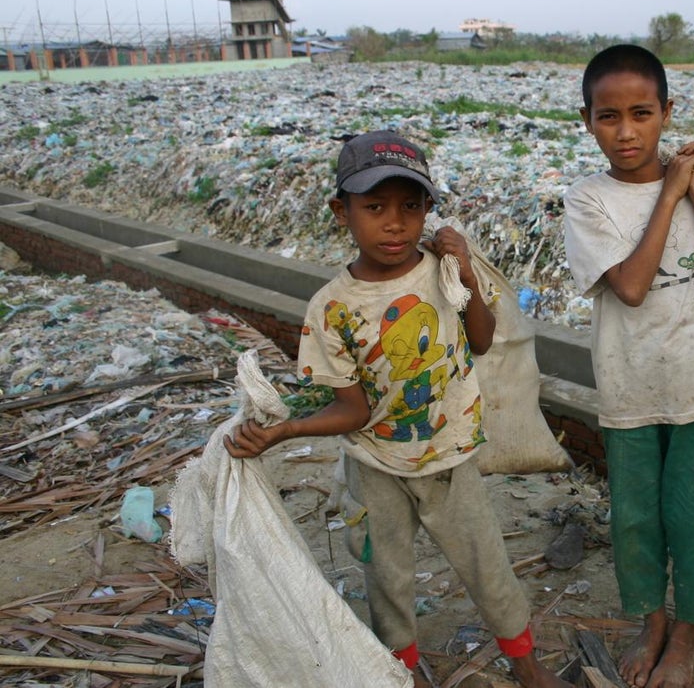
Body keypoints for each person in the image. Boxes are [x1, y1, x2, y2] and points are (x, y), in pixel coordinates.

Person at [225, 131, 570, 688]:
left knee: (488, 568)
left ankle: (526, 666)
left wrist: (463, 269)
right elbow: (353, 411)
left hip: (451, 455)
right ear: (343, 211)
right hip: (377, 467)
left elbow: (480, 341)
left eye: (410, 206)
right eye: (375, 207)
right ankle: (399, 675)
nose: (395, 223)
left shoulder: (441, 270)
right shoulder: (333, 308)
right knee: (388, 581)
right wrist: (284, 431)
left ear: (428, 210)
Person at [563, 44, 694, 688]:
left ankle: (687, 633)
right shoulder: (588, 201)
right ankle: (650, 622)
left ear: (667, 113)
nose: (626, 131)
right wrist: (671, 192)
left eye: (641, 113)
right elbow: (631, 287)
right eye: (608, 116)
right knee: (639, 517)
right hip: (630, 387)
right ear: (587, 120)